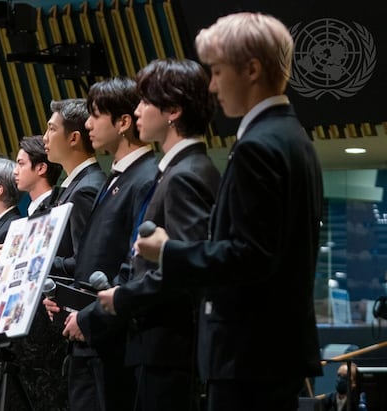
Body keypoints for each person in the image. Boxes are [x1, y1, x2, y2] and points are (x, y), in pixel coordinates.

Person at [100, 12, 324, 411]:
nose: (213, 86)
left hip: (248, 350)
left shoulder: (259, 145)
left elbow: (251, 255)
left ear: (252, 70)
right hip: (269, 349)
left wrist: (167, 251)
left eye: (218, 72)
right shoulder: (291, 136)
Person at [93, 58, 220, 411]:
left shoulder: (185, 175)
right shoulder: (181, 170)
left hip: (170, 349)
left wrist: (124, 296)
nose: (136, 110)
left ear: (173, 111)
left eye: (145, 101)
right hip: (162, 346)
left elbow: (185, 268)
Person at [45, 77, 158, 411]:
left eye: (95, 115)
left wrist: (91, 317)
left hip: (111, 338)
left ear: (123, 123)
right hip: (90, 336)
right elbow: (92, 260)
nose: (88, 124)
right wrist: (65, 300)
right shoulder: (116, 177)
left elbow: (133, 266)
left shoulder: (146, 177)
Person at [43, 98, 107, 274]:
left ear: (73, 138)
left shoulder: (85, 189)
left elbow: (84, 262)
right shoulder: (79, 183)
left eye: (52, 129)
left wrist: (33, 261)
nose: (45, 137)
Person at [14, 135, 62, 216]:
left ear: (41, 168)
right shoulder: (32, 207)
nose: (15, 171)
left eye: (21, 164)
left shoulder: (57, 208)